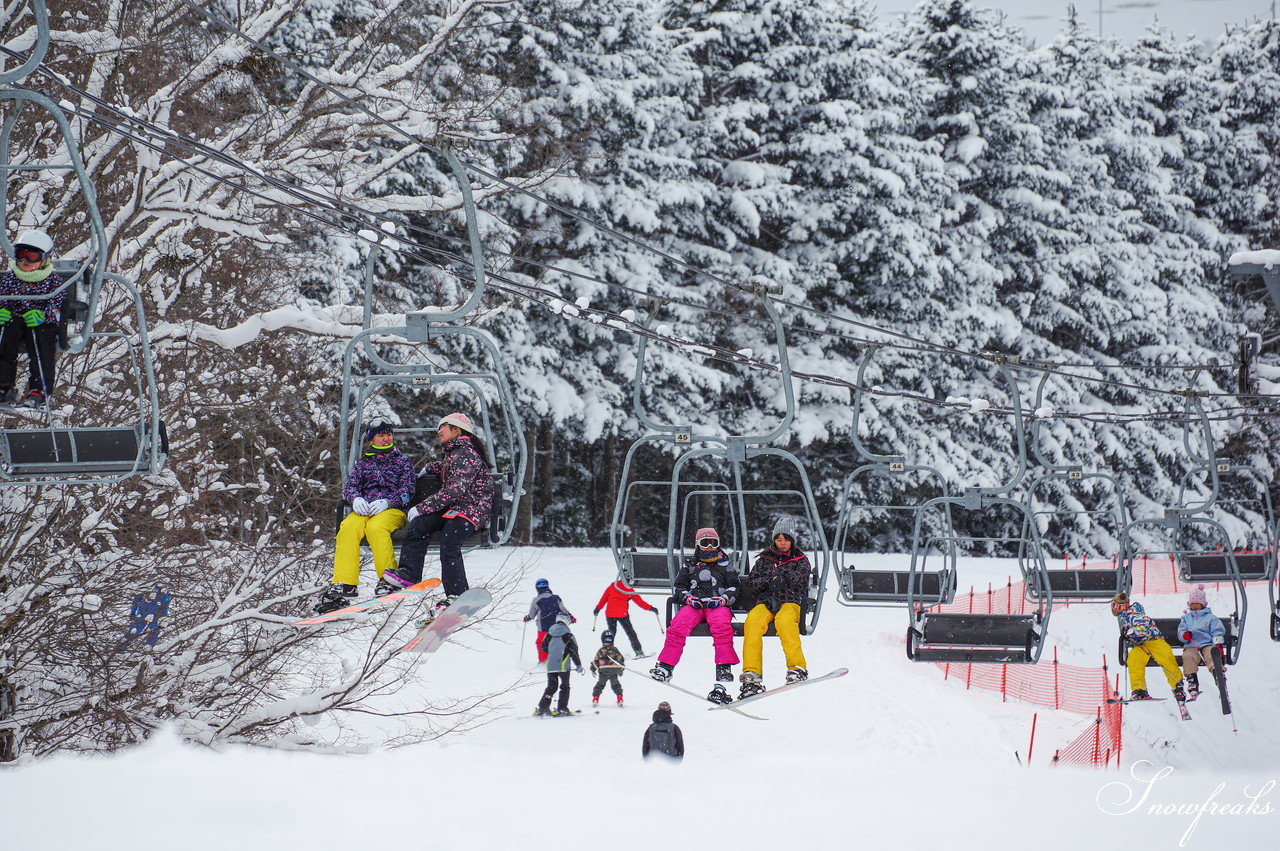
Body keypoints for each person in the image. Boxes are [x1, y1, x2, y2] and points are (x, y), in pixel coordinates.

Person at [381, 412, 494, 603]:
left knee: (449, 541)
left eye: (443, 427)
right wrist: (431, 467)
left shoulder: (466, 454)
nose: (439, 431)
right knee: (420, 524)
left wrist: (423, 506)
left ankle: (457, 594)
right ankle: (410, 573)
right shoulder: (455, 453)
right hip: (454, 508)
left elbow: (455, 489)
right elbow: (449, 468)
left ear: (456, 429)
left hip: (472, 509)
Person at [315, 420, 416, 614]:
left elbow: (408, 490)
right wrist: (356, 499)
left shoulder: (402, 462)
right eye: (381, 435)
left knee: (376, 529)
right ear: (372, 439)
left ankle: (387, 579)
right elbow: (351, 486)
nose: (386, 439)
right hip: (366, 509)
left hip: (392, 510)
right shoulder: (363, 464)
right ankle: (345, 582)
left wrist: (388, 501)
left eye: (388, 434)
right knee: (348, 527)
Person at [649, 527, 740, 704]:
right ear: (698, 544)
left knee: (722, 627)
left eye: (714, 543)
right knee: (677, 626)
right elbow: (679, 587)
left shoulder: (725, 565)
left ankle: (724, 666)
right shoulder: (690, 565)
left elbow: (735, 587)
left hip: (716, 605)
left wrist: (723, 599)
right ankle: (666, 666)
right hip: (695, 605)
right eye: (705, 543)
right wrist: (688, 598)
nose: (709, 547)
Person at [739, 519, 812, 699]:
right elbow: (752, 583)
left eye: (786, 539)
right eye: (779, 539)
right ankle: (752, 673)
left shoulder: (800, 560)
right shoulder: (765, 559)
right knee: (753, 621)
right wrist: (768, 583)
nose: (782, 543)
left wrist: (784, 579)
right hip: (768, 602)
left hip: (790, 601)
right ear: (774, 540)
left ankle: (796, 667)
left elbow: (801, 578)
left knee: (785, 621)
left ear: (792, 540)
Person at [0, 230, 65, 408]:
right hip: (15, 323)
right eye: (21, 255)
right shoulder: (10, 280)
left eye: (31, 257)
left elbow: (58, 308)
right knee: (6, 336)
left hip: (40, 325)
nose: (25, 262)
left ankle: (39, 390)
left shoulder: (52, 282)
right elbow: (2, 299)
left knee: (41, 342)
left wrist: (44, 315)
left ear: (44, 259)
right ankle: (4, 387)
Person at [1111, 592, 1185, 701]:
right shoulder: (1125, 617)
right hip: (1141, 645)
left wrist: (1132, 632)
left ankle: (1177, 684)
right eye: (1116, 607)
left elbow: (1143, 627)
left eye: (1119, 607)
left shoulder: (1135, 614)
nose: (1117, 609)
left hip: (1154, 640)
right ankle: (1139, 689)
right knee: (1134, 659)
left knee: (1165, 658)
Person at [1177, 584, 1227, 701]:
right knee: (1188, 656)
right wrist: (1184, 635)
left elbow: (1217, 632)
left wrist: (1218, 644)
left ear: (1203, 604)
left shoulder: (1210, 618)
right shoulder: (1186, 618)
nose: (1194, 606)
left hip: (1206, 643)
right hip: (1191, 644)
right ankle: (1192, 679)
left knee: (1211, 654)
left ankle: (1217, 673)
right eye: (1192, 603)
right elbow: (1180, 631)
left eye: (1197, 603)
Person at [594, 578, 656, 658]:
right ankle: (638, 651)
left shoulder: (613, 586)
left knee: (611, 633)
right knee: (630, 633)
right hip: (622, 614)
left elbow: (604, 598)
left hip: (610, 613)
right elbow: (639, 601)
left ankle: (607, 652)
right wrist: (651, 608)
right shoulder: (628, 588)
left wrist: (598, 609)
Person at [535, 614, 583, 716]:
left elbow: (544, 647)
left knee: (551, 687)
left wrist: (553, 651)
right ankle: (562, 708)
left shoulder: (549, 634)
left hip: (551, 665)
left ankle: (543, 707)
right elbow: (574, 652)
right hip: (563, 666)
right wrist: (578, 664)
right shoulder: (568, 635)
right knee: (564, 687)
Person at [523, 578, 575, 662]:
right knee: (555, 642)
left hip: (543, 627)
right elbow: (563, 610)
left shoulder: (536, 600)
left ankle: (543, 661)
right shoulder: (556, 598)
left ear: (537, 588)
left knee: (541, 643)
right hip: (556, 625)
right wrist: (571, 617)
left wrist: (527, 618)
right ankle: (557, 660)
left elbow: (532, 615)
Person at [590, 631, 626, 708]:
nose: (607, 642)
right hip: (613, 670)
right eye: (606, 640)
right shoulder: (615, 649)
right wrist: (621, 668)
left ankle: (596, 698)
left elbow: (596, 660)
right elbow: (621, 659)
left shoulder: (601, 650)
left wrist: (593, 669)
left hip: (604, 670)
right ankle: (619, 698)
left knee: (600, 684)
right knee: (616, 684)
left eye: (609, 640)